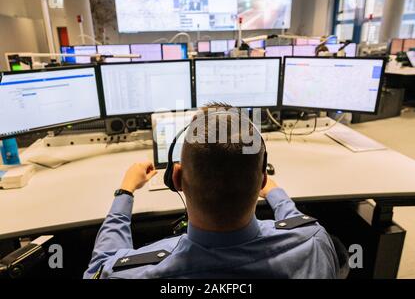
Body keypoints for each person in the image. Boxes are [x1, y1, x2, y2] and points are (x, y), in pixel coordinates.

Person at [84, 105, 339, 279]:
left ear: (176, 178)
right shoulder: (315, 242)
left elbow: (98, 268)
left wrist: (125, 191)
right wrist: (277, 194)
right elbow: (297, 225)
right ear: (262, 179)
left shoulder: (131, 273)